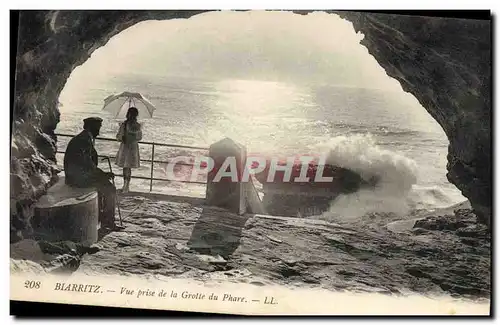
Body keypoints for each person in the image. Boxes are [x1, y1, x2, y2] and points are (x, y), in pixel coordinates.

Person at [63, 117, 120, 230]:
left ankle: (102, 218)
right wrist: (103, 174)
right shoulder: (84, 140)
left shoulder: (84, 137)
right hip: (77, 178)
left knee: (103, 185)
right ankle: (107, 222)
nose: (99, 131)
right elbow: (87, 164)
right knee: (110, 188)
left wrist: (100, 174)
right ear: (91, 127)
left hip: (76, 175)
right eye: (97, 128)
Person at [116, 107, 143, 193]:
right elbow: (139, 137)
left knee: (125, 167)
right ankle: (126, 186)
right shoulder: (138, 125)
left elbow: (119, 137)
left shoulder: (124, 124)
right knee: (128, 167)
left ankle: (125, 186)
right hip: (133, 147)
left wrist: (122, 135)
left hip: (125, 147)